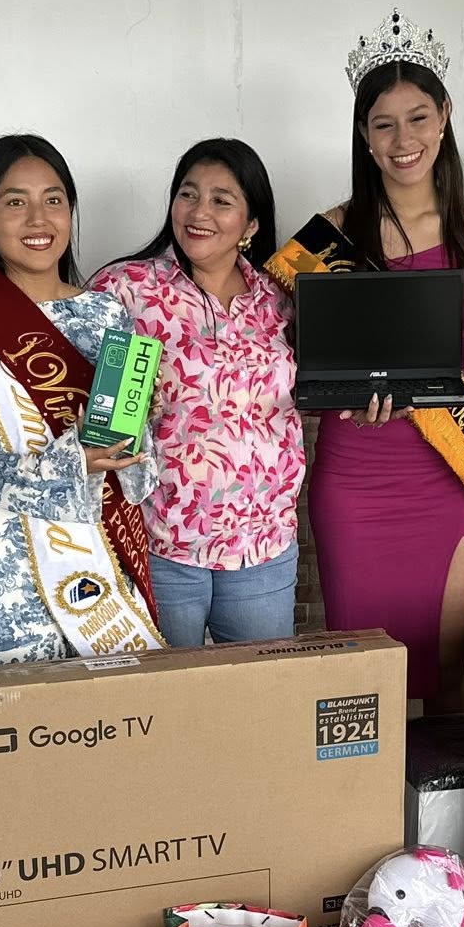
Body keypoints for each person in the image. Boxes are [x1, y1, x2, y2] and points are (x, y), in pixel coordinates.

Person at [310, 10, 464, 712]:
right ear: (364, 135)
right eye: (384, 124)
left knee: (448, 678)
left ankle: (449, 792)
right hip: (357, 475)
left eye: (417, 118)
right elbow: (306, 366)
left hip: (450, 474)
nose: (403, 140)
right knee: (362, 685)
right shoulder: (329, 237)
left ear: (445, 117)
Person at [0, 135, 163, 663]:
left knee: (117, 706)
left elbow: (137, 470)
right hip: (9, 567)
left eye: (54, 200)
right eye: (15, 202)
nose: (38, 219)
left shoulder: (106, 313)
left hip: (104, 552)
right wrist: (65, 464)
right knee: (19, 709)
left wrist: (141, 424)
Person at [89, 139, 302, 647]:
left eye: (221, 201)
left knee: (258, 691)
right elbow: (67, 385)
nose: (199, 212)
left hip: (263, 546)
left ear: (252, 224)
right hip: (158, 542)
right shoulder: (126, 288)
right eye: (188, 194)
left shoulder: (282, 299)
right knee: (162, 694)